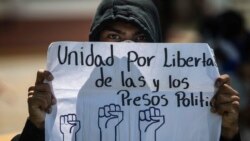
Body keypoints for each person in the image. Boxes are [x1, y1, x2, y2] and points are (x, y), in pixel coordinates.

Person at [12, 0, 240, 141]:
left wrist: (227, 133)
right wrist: (38, 128)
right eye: (114, 37)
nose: (127, 50)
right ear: (93, 45)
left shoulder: (180, 109)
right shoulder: (66, 104)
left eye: (140, 38)